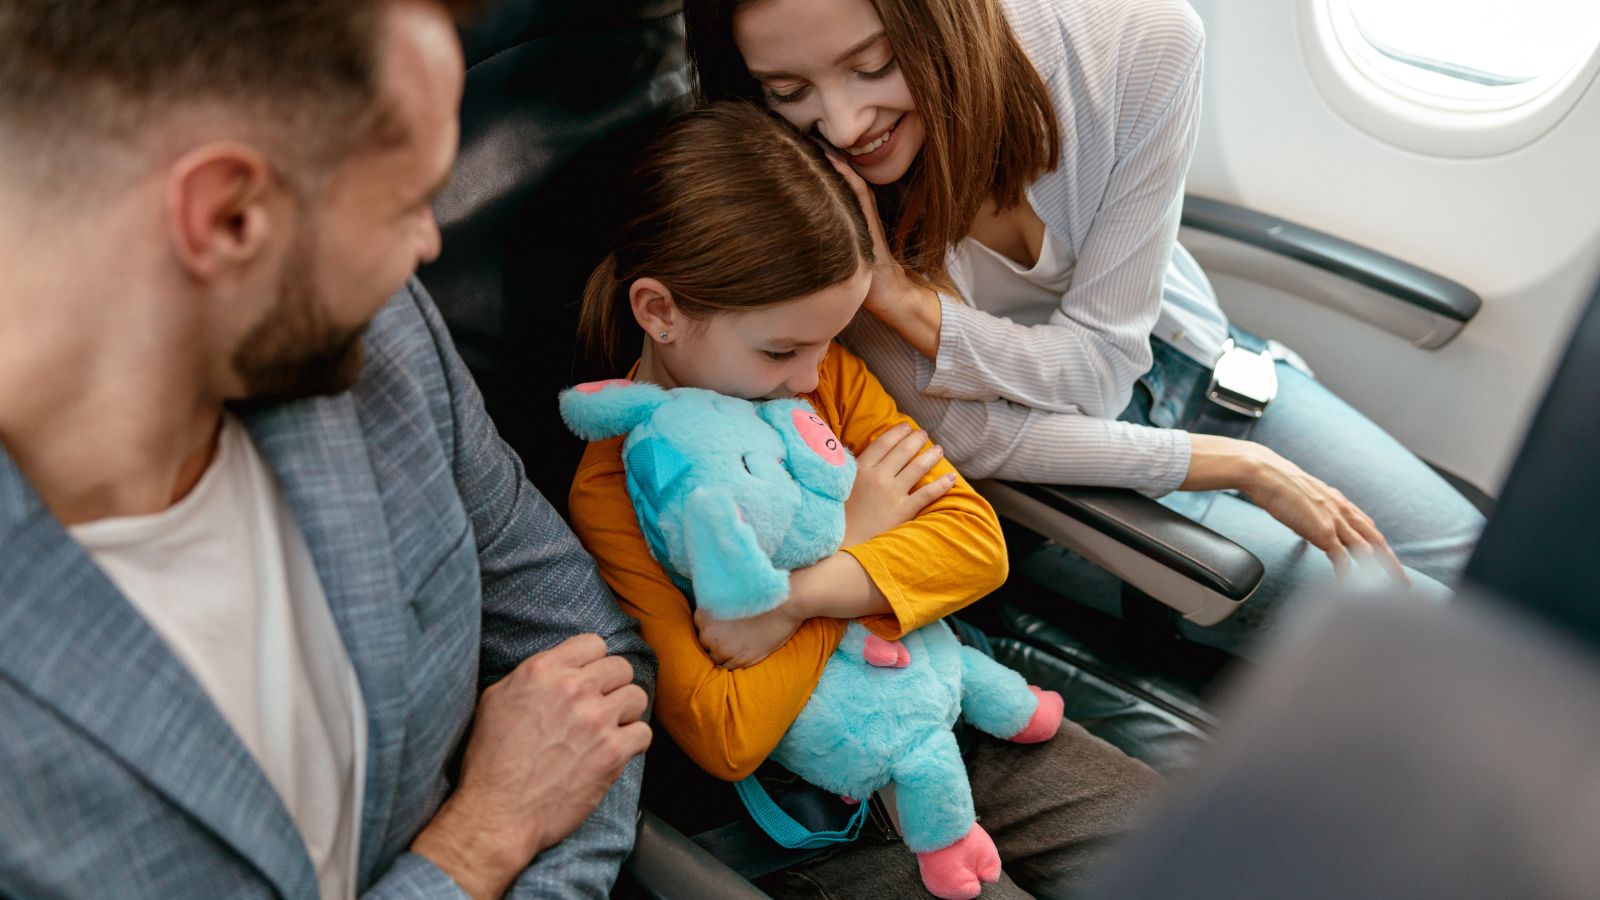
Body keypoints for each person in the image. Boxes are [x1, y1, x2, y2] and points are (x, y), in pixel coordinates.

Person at [0, 2, 654, 898]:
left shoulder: (382, 343)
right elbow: (518, 805)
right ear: (228, 216)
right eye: (406, 203)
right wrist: (476, 846)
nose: (429, 247)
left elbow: (597, 670)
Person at [683, 0, 1486, 653]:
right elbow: (976, 441)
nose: (846, 123)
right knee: (1435, 637)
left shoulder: (1136, 46)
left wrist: (908, 303)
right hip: (1061, 474)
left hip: (1199, 365)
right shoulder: (813, 195)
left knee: (1493, 567)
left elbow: (1106, 365)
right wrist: (1241, 468)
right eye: (789, 92)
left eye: (874, 65)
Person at [567, 101, 1159, 899]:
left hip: (942, 700)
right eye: (781, 349)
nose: (812, 379)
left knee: (1186, 846)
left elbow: (975, 546)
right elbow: (726, 729)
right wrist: (858, 538)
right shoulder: (615, 488)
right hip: (813, 806)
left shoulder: (825, 381)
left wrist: (793, 599)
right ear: (660, 312)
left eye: (827, 342)